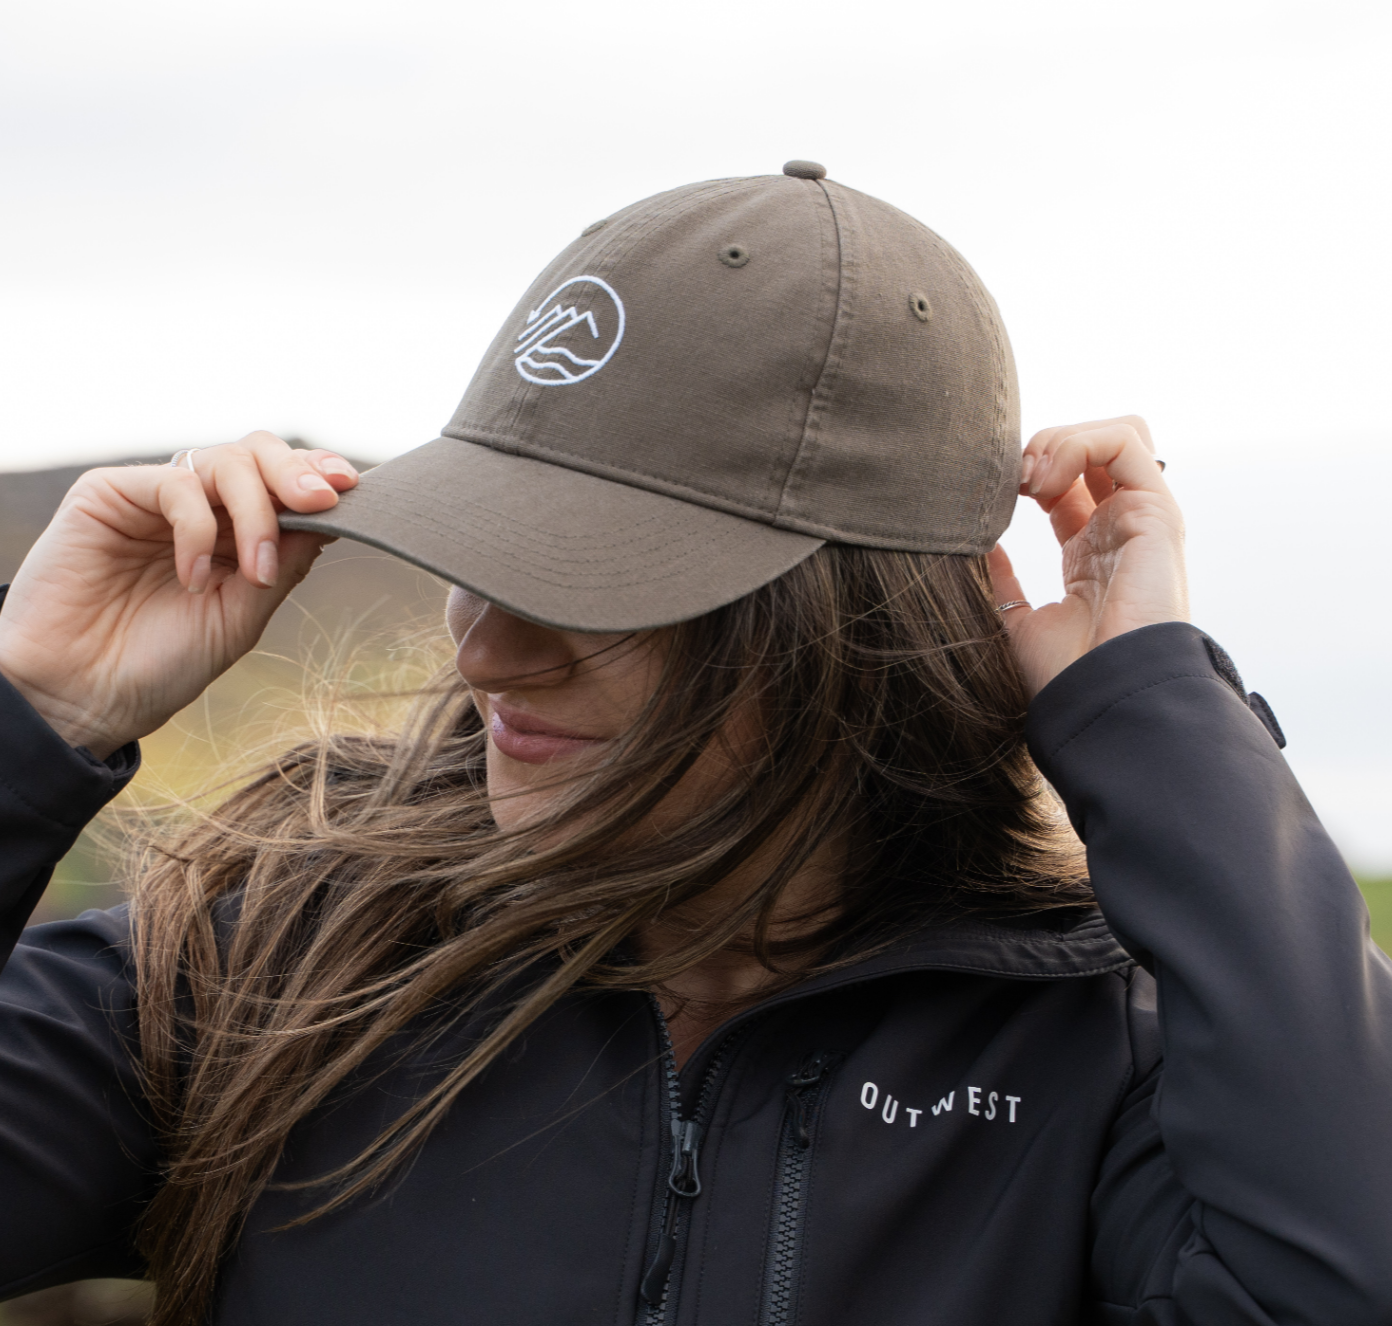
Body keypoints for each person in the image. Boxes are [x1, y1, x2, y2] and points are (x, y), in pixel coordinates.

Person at [0, 161, 1387, 1326]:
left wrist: (1149, 708)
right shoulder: (269, 969)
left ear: (852, 630)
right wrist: (36, 716)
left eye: (597, 585)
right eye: (482, 551)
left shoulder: (1107, 1054)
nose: (485, 650)